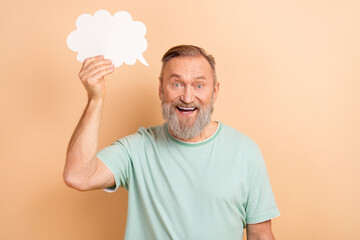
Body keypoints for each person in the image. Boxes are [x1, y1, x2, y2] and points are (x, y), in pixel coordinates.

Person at [63, 45, 280, 240]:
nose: (187, 97)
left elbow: (260, 235)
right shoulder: (138, 148)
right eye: (177, 84)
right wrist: (95, 98)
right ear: (161, 89)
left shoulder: (245, 151)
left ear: (214, 92)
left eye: (199, 85)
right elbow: (78, 176)